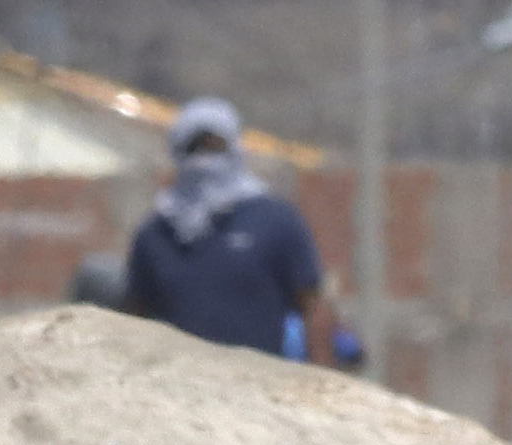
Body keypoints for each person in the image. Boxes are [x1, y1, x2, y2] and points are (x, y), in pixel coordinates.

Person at [117, 98, 348, 361]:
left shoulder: (274, 221)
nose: (204, 160)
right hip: (177, 387)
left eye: (215, 147)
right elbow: (134, 315)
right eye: (194, 148)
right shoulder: (155, 235)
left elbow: (312, 305)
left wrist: (318, 382)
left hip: (257, 385)